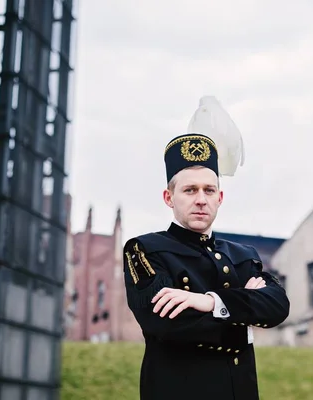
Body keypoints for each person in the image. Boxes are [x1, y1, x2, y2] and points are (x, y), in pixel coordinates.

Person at [122, 132, 290, 400]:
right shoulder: (144, 250)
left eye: (209, 190)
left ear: (219, 197)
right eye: (190, 190)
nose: (201, 199)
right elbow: (165, 324)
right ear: (169, 197)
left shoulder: (243, 254)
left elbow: (278, 306)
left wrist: (210, 302)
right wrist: (244, 318)